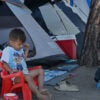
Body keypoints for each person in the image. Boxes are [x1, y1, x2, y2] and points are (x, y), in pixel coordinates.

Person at [1, 28, 50, 100]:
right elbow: (4, 62)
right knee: (28, 77)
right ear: (11, 42)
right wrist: (11, 71)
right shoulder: (8, 50)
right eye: (19, 44)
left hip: (25, 73)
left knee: (41, 71)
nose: (21, 46)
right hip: (16, 76)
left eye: (22, 44)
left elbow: (23, 59)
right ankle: (38, 95)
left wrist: (26, 50)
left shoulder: (20, 50)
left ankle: (41, 88)